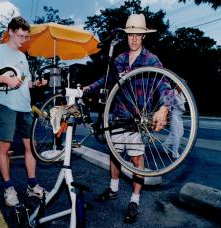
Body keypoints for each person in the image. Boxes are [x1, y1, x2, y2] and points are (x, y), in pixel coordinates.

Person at [83, 14, 173, 224]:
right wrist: (89, 87)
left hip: (137, 118)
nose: (134, 38)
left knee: (136, 159)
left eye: (138, 35)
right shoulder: (120, 59)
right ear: (126, 36)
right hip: (117, 116)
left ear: (144, 37)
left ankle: (135, 200)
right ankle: (113, 189)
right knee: (115, 154)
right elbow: (105, 81)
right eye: (130, 34)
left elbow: (165, 85)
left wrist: (165, 108)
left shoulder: (151, 60)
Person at [0, 16, 47, 207]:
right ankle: (8, 188)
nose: (22, 40)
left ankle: (32, 185)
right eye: (19, 36)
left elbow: (24, 82)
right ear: (10, 31)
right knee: (4, 148)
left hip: (25, 107)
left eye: (25, 37)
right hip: (6, 106)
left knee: (30, 147)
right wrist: (5, 80)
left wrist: (35, 84)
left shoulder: (22, 56)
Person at [163, 87, 186, 159]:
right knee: (176, 135)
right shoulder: (172, 92)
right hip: (174, 115)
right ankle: (174, 153)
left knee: (181, 133)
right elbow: (167, 105)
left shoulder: (182, 93)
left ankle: (165, 145)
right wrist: (168, 118)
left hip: (179, 116)